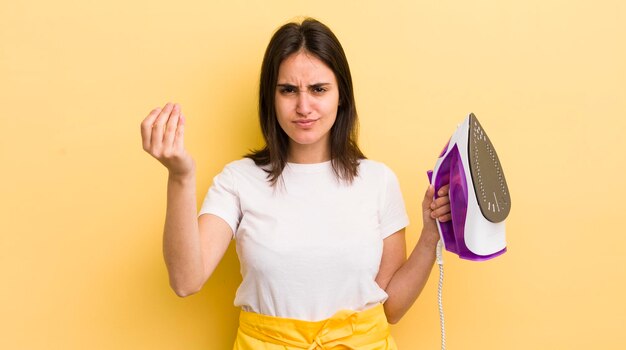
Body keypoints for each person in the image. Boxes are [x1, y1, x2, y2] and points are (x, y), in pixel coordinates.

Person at [140, 18, 451, 350]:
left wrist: (431, 234)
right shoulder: (238, 180)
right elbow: (186, 281)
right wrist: (180, 176)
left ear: (341, 95)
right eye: (288, 90)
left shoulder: (378, 181)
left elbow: (392, 308)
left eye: (318, 89)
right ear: (270, 97)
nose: (304, 107)